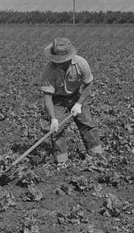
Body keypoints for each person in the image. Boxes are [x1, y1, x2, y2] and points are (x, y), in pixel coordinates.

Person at [40, 37, 103, 166]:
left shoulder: (81, 63)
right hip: (57, 99)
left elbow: (88, 84)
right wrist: (53, 119)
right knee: (57, 129)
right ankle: (61, 160)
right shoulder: (49, 71)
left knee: (87, 123)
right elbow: (47, 97)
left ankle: (96, 154)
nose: (58, 62)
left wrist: (79, 103)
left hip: (76, 95)